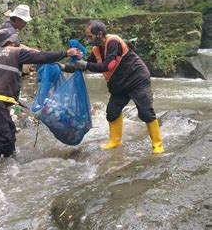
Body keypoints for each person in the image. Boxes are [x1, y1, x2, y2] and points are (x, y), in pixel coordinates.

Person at [0, 29, 80, 168]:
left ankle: (11, 162)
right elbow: (41, 56)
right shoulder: (16, 52)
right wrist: (65, 53)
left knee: (9, 131)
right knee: (2, 138)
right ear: (10, 42)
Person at [66, 20, 164, 154]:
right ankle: (115, 141)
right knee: (112, 113)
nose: (88, 40)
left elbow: (108, 65)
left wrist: (86, 65)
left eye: (90, 36)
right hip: (119, 85)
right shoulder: (96, 50)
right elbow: (84, 65)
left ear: (99, 34)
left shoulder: (113, 42)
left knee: (146, 112)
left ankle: (157, 144)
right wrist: (64, 67)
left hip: (137, 79)